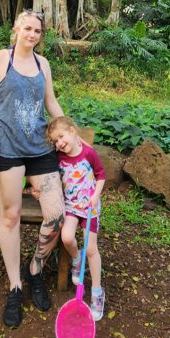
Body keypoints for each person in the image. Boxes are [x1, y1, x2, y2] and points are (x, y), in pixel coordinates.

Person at [0, 10, 65, 328]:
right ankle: (14, 286)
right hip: (7, 150)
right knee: (10, 217)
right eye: (27, 29)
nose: (32, 34)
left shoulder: (43, 65)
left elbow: (50, 102)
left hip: (40, 150)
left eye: (37, 31)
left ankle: (34, 269)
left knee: (56, 214)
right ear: (16, 30)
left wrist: (67, 132)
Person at [46, 115, 106, 322]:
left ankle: (97, 293)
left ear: (72, 131)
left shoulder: (88, 153)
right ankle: (77, 260)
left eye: (61, 136)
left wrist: (96, 195)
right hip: (72, 207)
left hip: (90, 209)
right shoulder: (58, 157)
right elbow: (49, 176)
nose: (60, 143)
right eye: (55, 141)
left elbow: (101, 175)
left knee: (91, 249)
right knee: (67, 238)